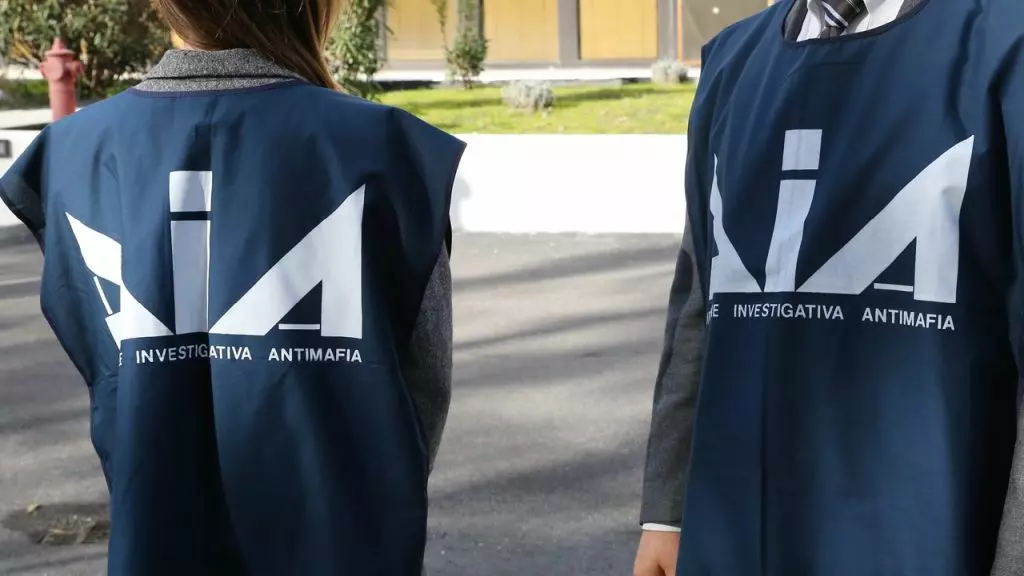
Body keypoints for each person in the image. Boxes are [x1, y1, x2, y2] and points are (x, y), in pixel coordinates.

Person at [0, 1, 463, 574]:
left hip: (158, 542)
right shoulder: (387, 150)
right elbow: (424, 387)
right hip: (343, 544)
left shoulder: (74, 155)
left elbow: (104, 363)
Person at [634, 0, 1024, 574]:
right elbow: (700, 304)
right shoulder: (732, 62)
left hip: (928, 537)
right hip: (736, 539)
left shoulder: (1006, 47)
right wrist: (667, 515)